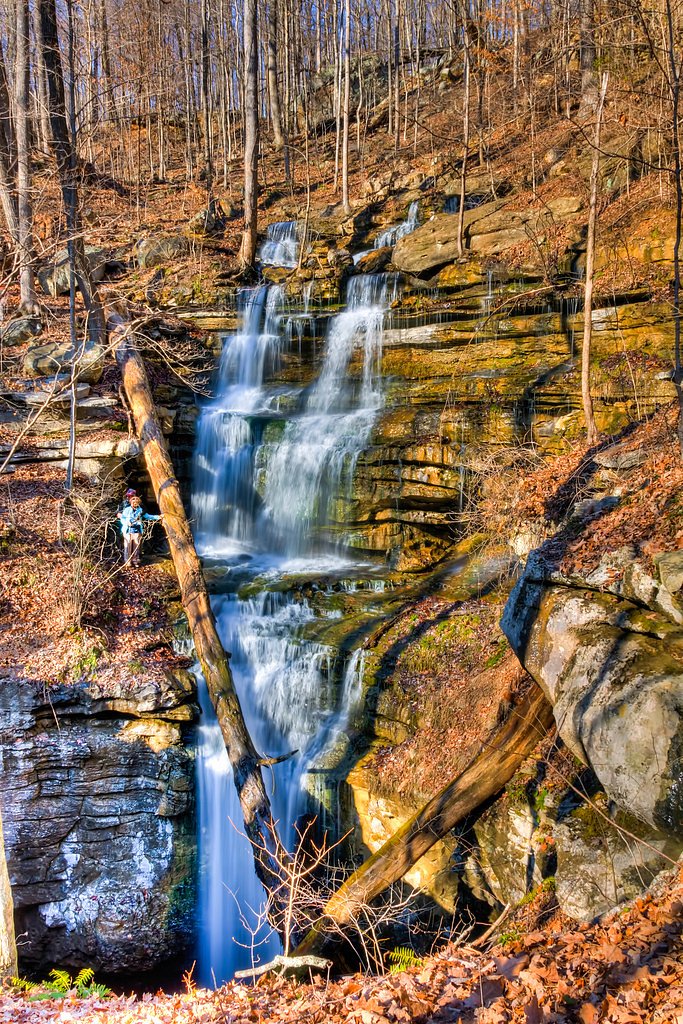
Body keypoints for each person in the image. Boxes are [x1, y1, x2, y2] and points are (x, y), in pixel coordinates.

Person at [117, 495, 162, 567]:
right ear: (131, 503)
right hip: (128, 530)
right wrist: (127, 523)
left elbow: (148, 516)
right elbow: (122, 518)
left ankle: (135, 560)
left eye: (136, 503)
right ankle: (127, 561)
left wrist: (158, 517)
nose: (134, 504)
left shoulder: (140, 510)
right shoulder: (127, 510)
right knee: (128, 545)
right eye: (133, 502)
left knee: (136, 546)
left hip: (137, 530)